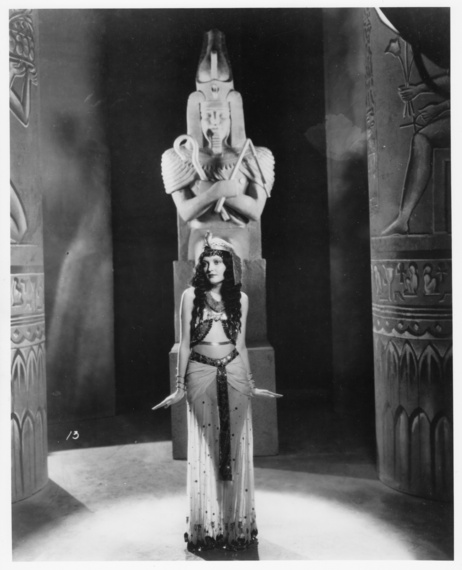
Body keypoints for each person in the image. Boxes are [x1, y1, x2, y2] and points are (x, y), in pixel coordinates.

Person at [153, 232, 282, 551]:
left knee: (234, 453)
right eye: (206, 262)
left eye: (217, 261)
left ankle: (235, 528)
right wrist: (179, 387)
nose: (211, 267)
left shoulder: (241, 300)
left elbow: (240, 346)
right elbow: (185, 344)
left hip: (234, 376)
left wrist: (252, 384)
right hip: (200, 376)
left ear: (230, 266)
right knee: (208, 452)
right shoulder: (190, 297)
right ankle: (208, 529)